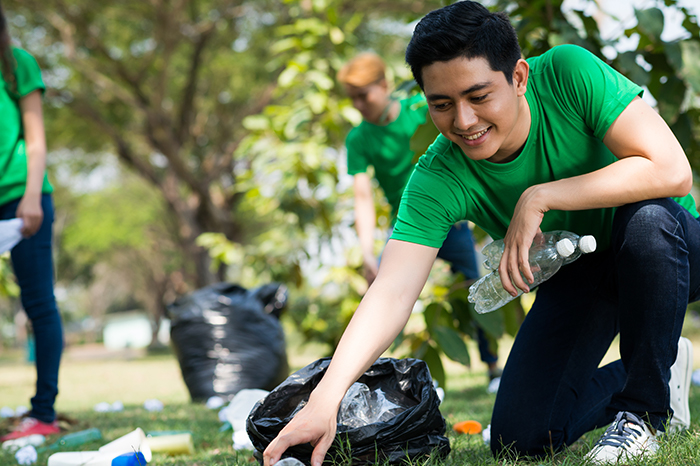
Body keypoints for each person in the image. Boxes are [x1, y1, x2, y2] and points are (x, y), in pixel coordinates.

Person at [263, 2, 697, 465]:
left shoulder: (569, 73)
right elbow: (391, 292)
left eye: (479, 96)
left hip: (669, 250)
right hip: (578, 271)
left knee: (647, 220)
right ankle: (662, 371)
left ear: (518, 78)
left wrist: (541, 196)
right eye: (442, 104)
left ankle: (644, 415)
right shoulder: (438, 175)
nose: (464, 121)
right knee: (521, 438)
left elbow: (671, 170)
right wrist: (326, 399)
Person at [337, 52, 501, 380]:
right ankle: (366, 375)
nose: (358, 104)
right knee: (382, 295)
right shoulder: (359, 138)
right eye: (352, 98)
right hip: (410, 227)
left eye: (363, 95)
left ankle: (493, 367)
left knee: (477, 288)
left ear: (384, 86)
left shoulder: (420, 111)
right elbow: (362, 195)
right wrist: (368, 251)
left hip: (452, 223)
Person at [0, 1, 63, 441]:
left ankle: (43, 413)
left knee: (39, 305)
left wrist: (31, 198)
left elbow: (35, 139)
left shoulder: (16, 63)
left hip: (23, 199)